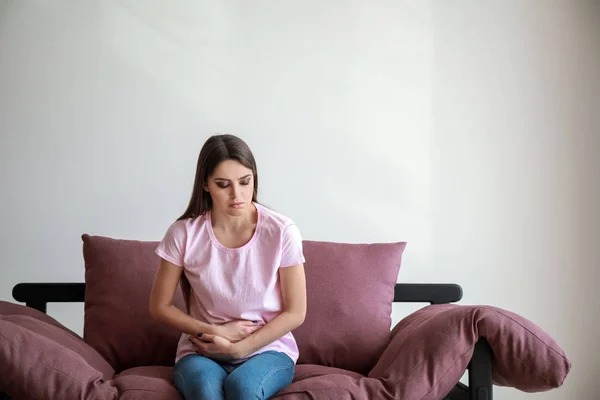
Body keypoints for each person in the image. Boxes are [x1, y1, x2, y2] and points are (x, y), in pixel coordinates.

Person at [149, 134, 307, 400]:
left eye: (245, 182)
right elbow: (159, 307)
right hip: (202, 349)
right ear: (205, 184)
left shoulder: (282, 231)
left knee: (244, 389)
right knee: (205, 390)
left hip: (268, 349)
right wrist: (215, 332)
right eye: (223, 185)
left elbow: (296, 312)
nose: (237, 195)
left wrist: (238, 349)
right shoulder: (183, 234)